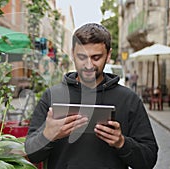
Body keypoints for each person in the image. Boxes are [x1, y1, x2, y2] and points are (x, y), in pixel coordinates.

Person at [24, 23, 158, 169]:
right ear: (72, 54)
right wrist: (47, 136)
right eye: (82, 57)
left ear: (108, 55)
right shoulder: (51, 96)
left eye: (96, 57)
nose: (88, 65)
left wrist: (121, 143)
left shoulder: (129, 99)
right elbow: (32, 154)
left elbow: (149, 160)